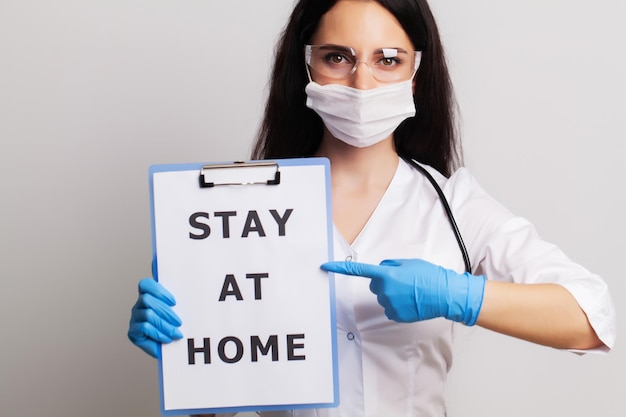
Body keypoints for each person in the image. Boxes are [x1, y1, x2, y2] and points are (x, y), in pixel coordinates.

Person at [128, 0, 617, 416]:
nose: (362, 85)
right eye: (337, 57)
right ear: (305, 66)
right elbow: (220, 394)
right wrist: (189, 360)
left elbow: (590, 317)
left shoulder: (455, 206)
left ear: (417, 74)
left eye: (388, 59)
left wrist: (458, 295)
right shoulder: (235, 212)